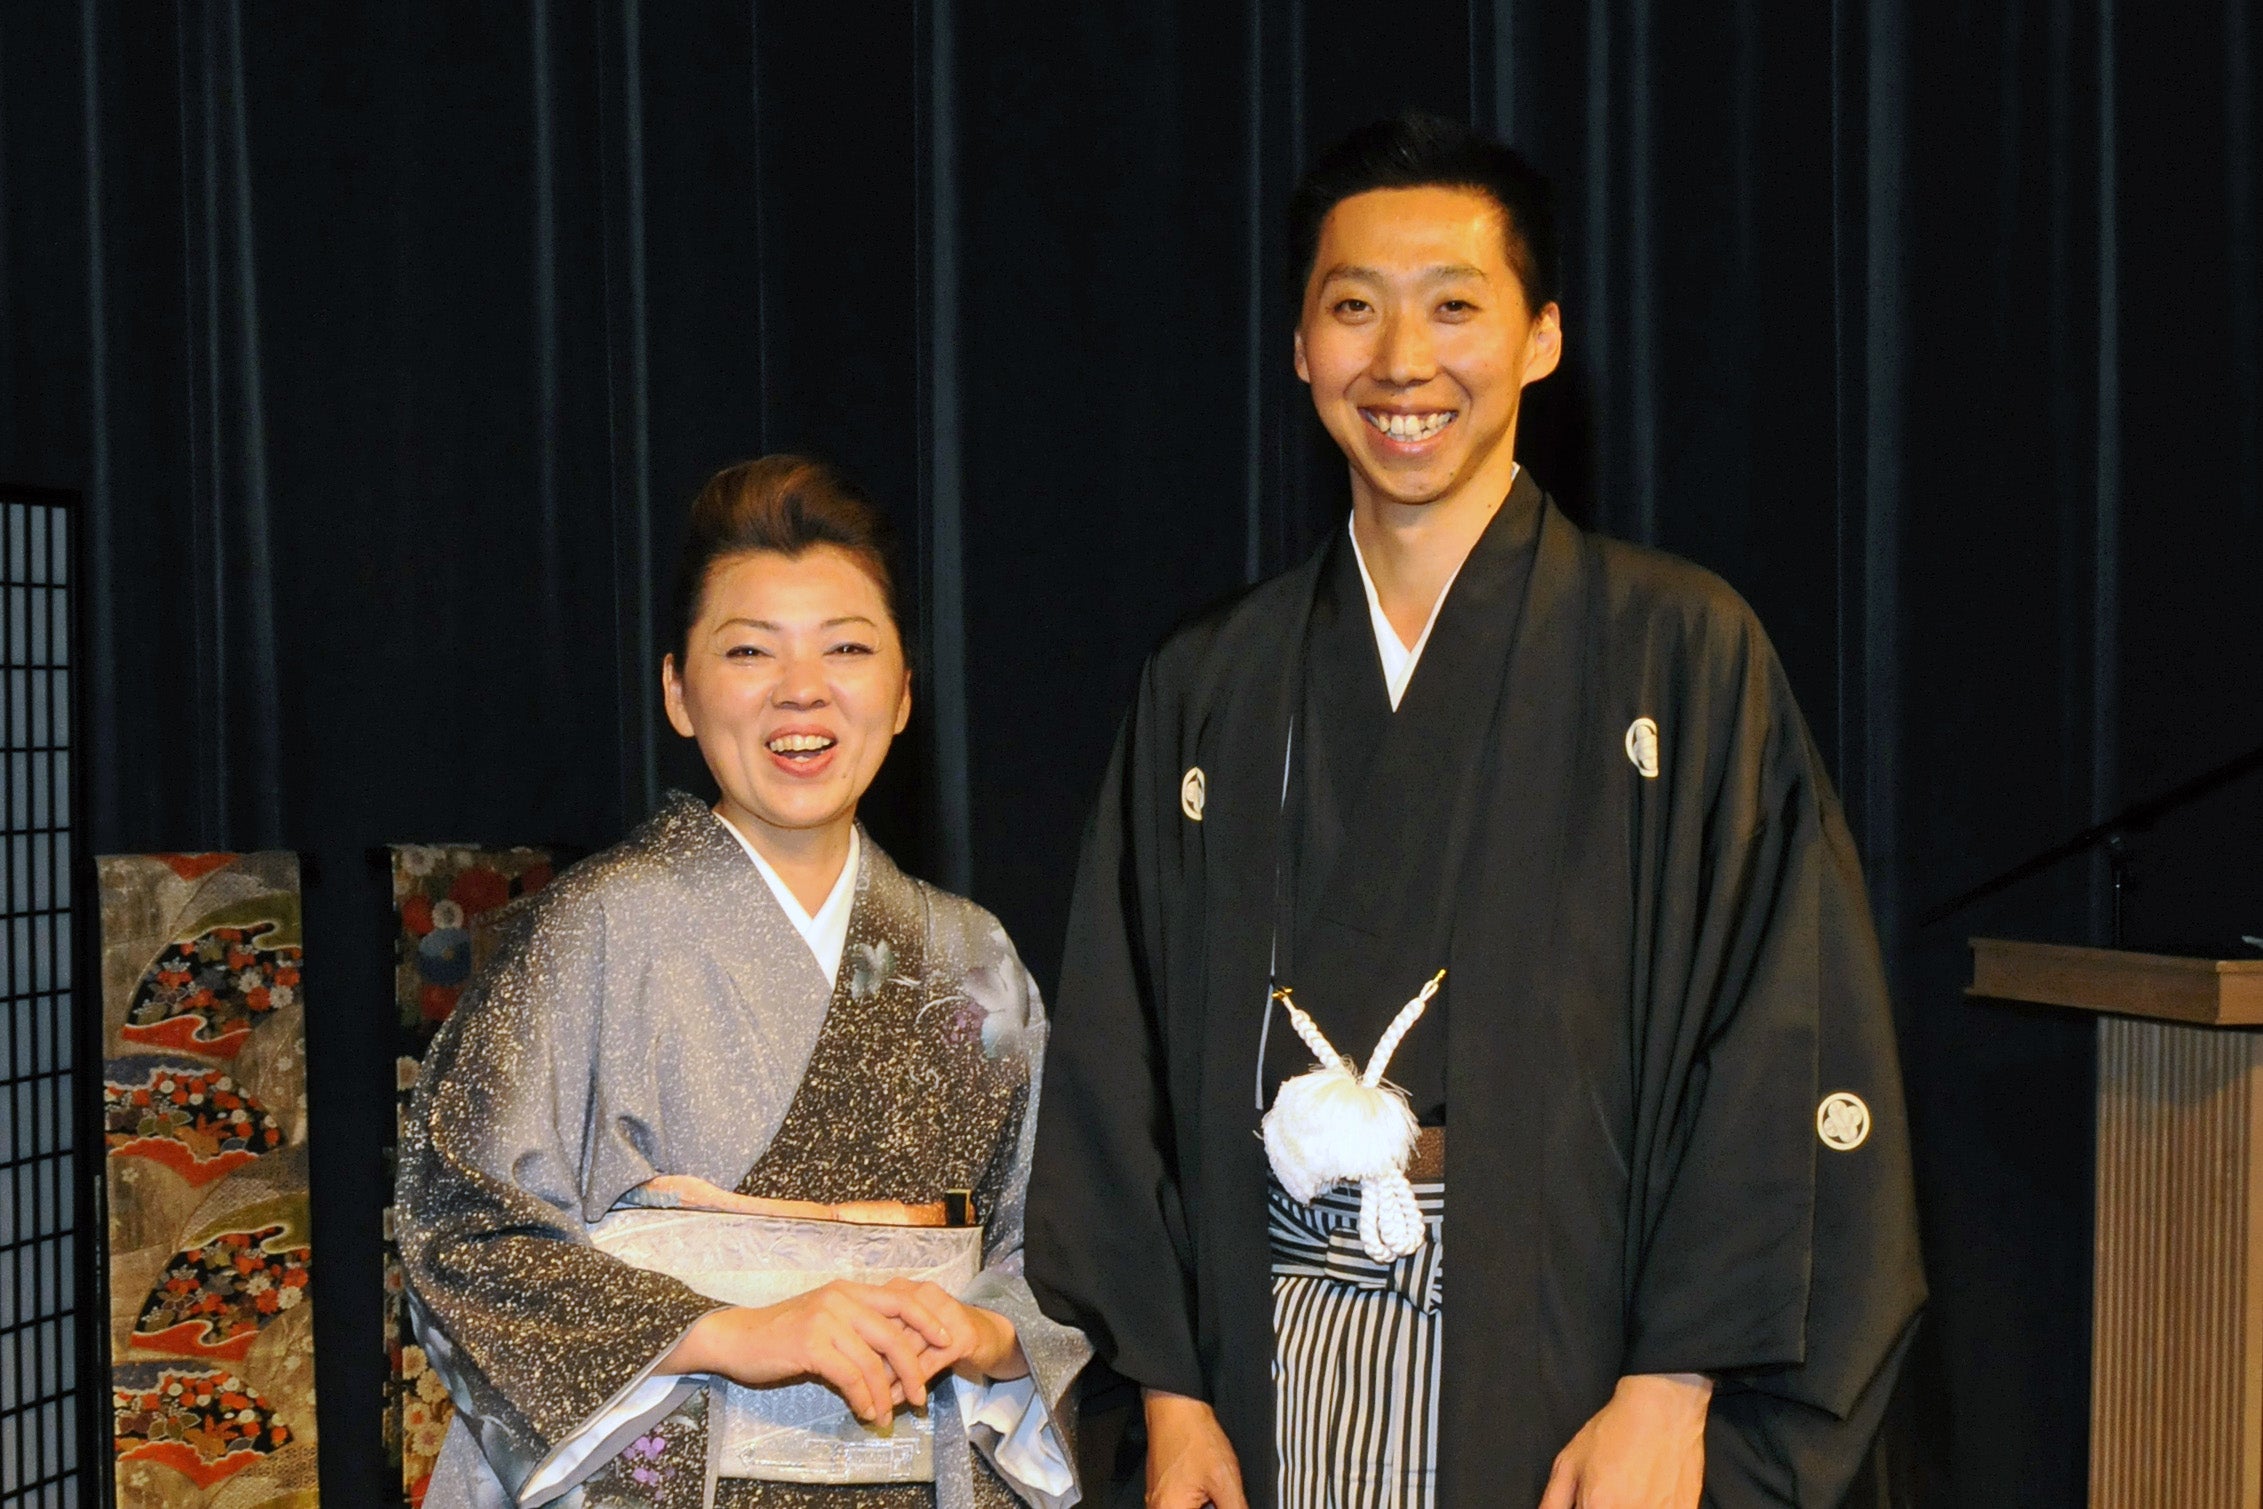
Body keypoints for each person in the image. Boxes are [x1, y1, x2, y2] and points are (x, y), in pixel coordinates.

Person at [1025, 113, 1923, 1509]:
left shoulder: (1678, 653)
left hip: (1567, 1371)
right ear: (1300, 345)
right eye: (1353, 309)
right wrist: (1170, 1392)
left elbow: (1781, 1034)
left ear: (1540, 337)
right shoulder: (1211, 682)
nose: (1401, 361)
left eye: (1454, 307)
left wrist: (1674, 1385)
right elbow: (1113, 1061)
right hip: (1261, 1378)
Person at [399, 456, 1087, 1509]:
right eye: (750, 650)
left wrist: (988, 1333)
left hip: (927, 1469)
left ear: (904, 693)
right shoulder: (588, 932)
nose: (801, 690)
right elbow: (465, 1234)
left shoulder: (971, 956)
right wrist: (738, 1331)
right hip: (659, 1473)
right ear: (678, 691)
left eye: (846, 648)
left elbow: (1060, 1251)